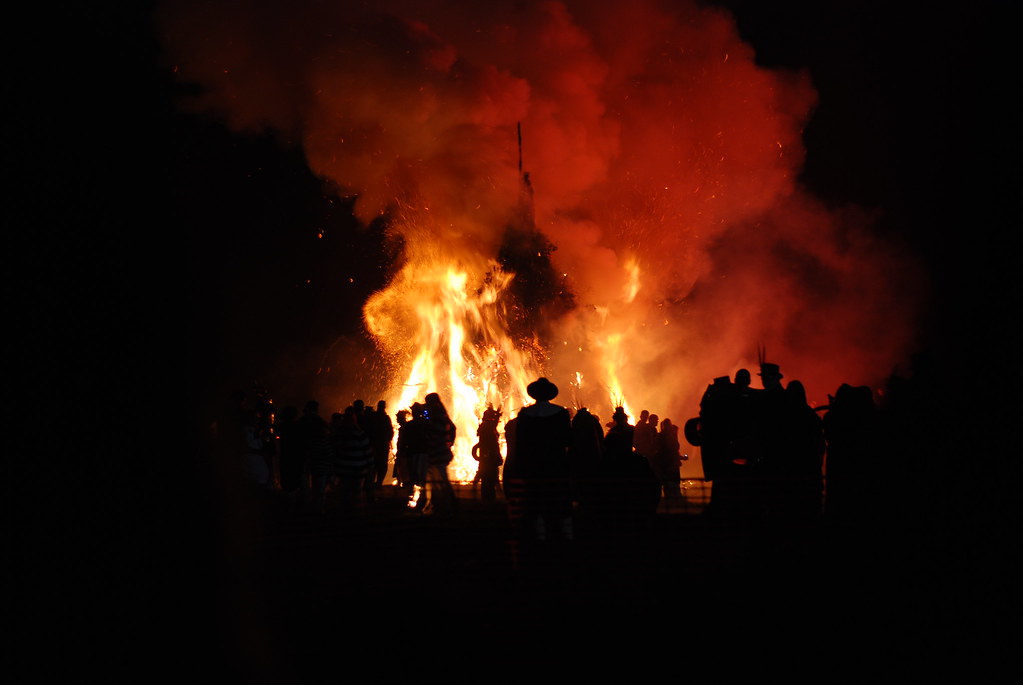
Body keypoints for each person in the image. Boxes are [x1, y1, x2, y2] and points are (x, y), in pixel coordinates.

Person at [514, 377, 573, 544]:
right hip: (556, 463)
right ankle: (564, 534)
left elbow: (521, 443)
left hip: (532, 464)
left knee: (534, 499)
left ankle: (539, 534)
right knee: (558, 498)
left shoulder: (525, 415)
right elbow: (568, 439)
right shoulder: (561, 413)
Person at [472, 405, 503, 502]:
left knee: (488, 480)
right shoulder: (487, 427)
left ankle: (488, 499)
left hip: (487, 458)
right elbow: (490, 445)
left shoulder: (486, 426)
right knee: (489, 480)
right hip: (489, 459)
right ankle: (489, 500)